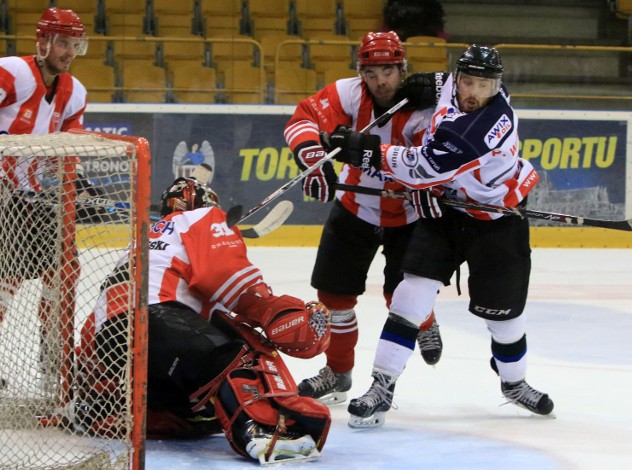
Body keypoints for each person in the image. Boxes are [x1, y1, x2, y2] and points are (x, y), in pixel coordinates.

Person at [321, 45, 554, 428]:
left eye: (483, 84)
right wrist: (418, 85)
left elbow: (421, 168)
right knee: (410, 294)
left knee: (504, 318)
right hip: (446, 211)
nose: (473, 92)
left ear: (497, 86)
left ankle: (514, 383)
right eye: (467, 81)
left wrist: (363, 152)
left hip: (494, 218)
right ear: (458, 77)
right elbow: (434, 85)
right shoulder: (450, 84)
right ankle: (381, 386)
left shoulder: (489, 124)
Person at [76, 177, 332, 464]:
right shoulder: (202, 217)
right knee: (235, 356)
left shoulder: (146, 240)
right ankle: (265, 435)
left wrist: (89, 375)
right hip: (155, 321)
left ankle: (131, 410)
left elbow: (101, 321)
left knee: (208, 410)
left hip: (113, 345)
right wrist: (276, 311)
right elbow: (226, 277)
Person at [284, 31, 445, 405]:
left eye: (388, 71)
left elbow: (430, 164)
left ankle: (425, 320)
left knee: (399, 297)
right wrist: (311, 158)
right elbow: (303, 118)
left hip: (407, 215)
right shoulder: (348, 92)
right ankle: (339, 372)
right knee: (334, 297)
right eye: (371, 73)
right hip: (356, 206)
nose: (380, 81)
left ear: (402, 68)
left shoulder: (425, 108)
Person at [0, 8, 92, 382]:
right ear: (43, 41)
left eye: (75, 44)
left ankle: (51, 351)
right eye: (63, 43)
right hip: (3, 197)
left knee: (65, 269)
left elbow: (67, 150)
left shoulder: (75, 93)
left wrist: (78, 182)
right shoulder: (12, 72)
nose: (69, 51)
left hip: (31, 198)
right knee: (5, 280)